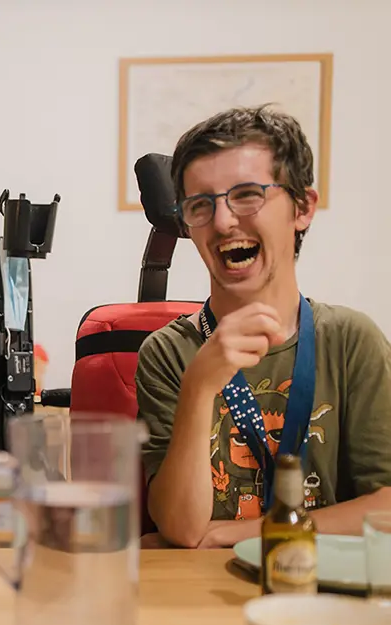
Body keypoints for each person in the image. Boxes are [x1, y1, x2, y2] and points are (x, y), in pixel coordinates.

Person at [136, 105, 391, 549]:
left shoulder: (351, 340)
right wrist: (199, 386)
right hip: (199, 601)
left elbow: (385, 507)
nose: (222, 221)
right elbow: (182, 529)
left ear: (302, 208)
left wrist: (242, 533)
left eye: (248, 194)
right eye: (200, 205)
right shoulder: (167, 353)